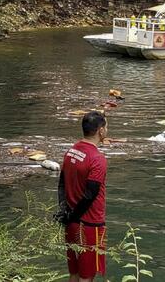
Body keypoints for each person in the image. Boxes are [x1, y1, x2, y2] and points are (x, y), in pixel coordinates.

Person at [58, 111, 108, 282]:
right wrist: (73, 215)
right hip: (90, 224)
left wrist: (65, 212)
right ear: (100, 130)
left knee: (74, 273)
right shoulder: (97, 158)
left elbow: (62, 184)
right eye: (106, 126)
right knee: (87, 276)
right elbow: (90, 194)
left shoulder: (71, 152)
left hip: (71, 222)